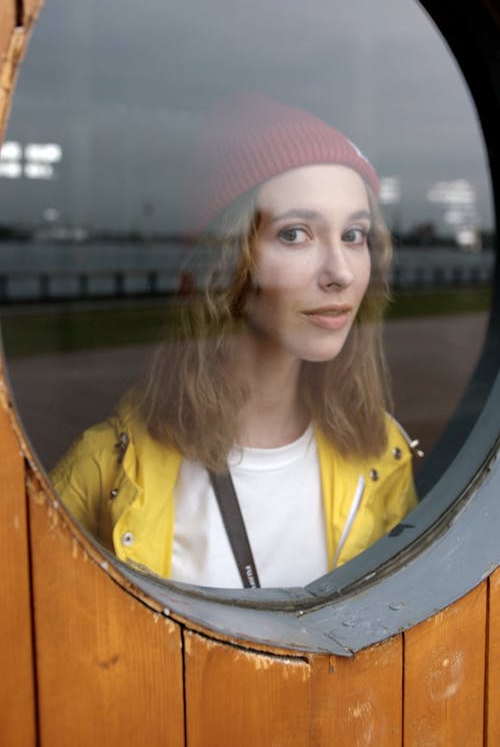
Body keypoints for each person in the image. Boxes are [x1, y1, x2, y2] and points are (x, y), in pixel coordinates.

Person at [52, 93, 417, 589]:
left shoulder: (382, 455)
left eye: (354, 235)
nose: (341, 273)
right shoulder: (104, 471)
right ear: (224, 261)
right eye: (295, 234)